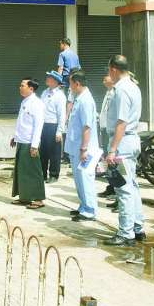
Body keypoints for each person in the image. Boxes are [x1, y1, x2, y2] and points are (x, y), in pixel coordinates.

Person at [103, 55, 145, 246]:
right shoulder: (133, 86)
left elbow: (121, 122)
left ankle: (126, 232)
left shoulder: (121, 89)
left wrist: (112, 150)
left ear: (113, 69)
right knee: (132, 186)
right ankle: (137, 227)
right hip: (131, 140)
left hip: (122, 142)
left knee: (123, 189)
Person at [66, 71, 101, 221]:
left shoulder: (86, 100)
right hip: (76, 148)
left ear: (77, 84)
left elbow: (87, 127)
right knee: (79, 179)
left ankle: (90, 211)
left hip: (84, 149)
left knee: (86, 179)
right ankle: (83, 206)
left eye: (70, 84)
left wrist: (84, 149)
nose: (69, 87)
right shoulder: (79, 98)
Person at [11, 78, 46, 209]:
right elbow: (21, 122)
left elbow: (38, 126)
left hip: (30, 143)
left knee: (33, 171)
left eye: (22, 85)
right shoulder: (25, 101)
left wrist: (34, 145)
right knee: (22, 171)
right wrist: (15, 137)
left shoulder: (37, 103)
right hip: (22, 140)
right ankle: (25, 197)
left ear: (31, 88)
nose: (20, 88)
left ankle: (38, 199)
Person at [40, 71, 67, 183]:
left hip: (53, 125)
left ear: (55, 81)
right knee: (43, 151)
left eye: (50, 77)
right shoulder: (44, 92)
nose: (47, 78)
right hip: (43, 125)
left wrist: (59, 131)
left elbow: (62, 115)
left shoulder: (60, 95)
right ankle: (42, 174)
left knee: (54, 152)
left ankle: (54, 174)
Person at [98, 75, 117, 198]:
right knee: (107, 160)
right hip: (105, 129)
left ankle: (115, 189)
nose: (103, 81)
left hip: (112, 131)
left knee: (113, 161)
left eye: (106, 79)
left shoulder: (115, 93)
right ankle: (111, 186)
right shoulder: (108, 93)